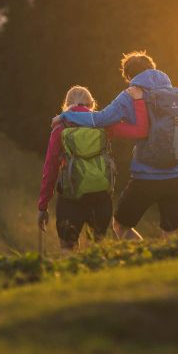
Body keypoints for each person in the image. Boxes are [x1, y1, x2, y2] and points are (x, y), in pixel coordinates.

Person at [51, 52, 178, 240]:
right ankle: (170, 262)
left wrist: (66, 115)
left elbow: (101, 119)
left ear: (129, 76)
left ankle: (139, 261)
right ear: (153, 68)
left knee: (120, 225)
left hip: (145, 177)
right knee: (171, 232)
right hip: (176, 175)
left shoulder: (129, 95)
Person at [38, 85, 149, 249]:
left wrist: (43, 206)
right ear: (91, 104)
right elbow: (139, 131)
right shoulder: (104, 125)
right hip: (100, 198)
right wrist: (139, 101)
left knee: (68, 248)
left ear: (67, 105)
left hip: (70, 199)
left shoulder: (60, 128)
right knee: (98, 249)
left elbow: (50, 168)